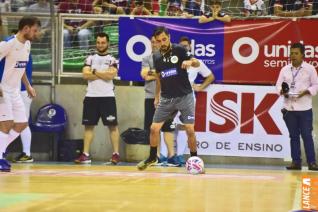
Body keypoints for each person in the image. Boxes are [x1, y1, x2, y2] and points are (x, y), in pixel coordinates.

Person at [137, 26, 200, 170]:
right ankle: (153, 157)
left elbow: (196, 62)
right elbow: (159, 78)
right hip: (166, 98)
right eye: (158, 41)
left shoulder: (179, 50)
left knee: (190, 129)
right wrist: (157, 95)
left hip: (185, 96)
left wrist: (190, 62)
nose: (162, 43)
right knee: (154, 129)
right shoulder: (156, 57)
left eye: (164, 39)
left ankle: (194, 159)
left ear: (169, 37)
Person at [159, 36, 214, 165]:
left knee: (185, 127)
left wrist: (200, 87)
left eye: (186, 46)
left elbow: (210, 76)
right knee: (166, 125)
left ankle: (179, 156)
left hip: (187, 97)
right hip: (171, 96)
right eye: (181, 46)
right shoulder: (172, 60)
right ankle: (163, 156)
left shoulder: (196, 62)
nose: (184, 48)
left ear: (190, 47)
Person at [0, 16, 40, 172]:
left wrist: (28, 85)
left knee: (21, 124)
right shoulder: (8, 44)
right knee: (6, 124)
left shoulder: (27, 45)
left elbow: (20, 67)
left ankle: (1, 151)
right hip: (3, 90)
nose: (37, 33)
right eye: (35, 30)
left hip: (16, 91)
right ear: (26, 29)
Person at [74, 32, 121, 165]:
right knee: (88, 126)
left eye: (103, 42)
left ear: (108, 44)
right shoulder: (89, 58)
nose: (100, 45)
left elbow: (110, 76)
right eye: (98, 42)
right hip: (91, 96)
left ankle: (116, 154)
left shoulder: (113, 59)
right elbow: (85, 75)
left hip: (107, 97)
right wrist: (103, 74)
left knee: (112, 126)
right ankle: (86, 154)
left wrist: (94, 71)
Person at [276, 42, 318, 171]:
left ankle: (312, 162)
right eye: (291, 53)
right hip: (289, 108)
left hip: (304, 108)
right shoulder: (285, 69)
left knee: (306, 135)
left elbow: (316, 85)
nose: (292, 56)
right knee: (293, 136)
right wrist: (282, 91)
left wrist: (305, 92)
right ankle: (296, 162)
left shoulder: (310, 69)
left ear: (302, 55)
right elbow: (278, 85)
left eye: (296, 53)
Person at [140, 35, 179, 167]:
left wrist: (156, 73)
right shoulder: (146, 59)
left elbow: (173, 73)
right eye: (152, 42)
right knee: (153, 129)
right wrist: (160, 72)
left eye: (156, 42)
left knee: (168, 127)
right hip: (151, 97)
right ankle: (155, 157)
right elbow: (144, 75)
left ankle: (172, 156)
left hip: (168, 97)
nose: (154, 44)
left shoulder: (169, 57)